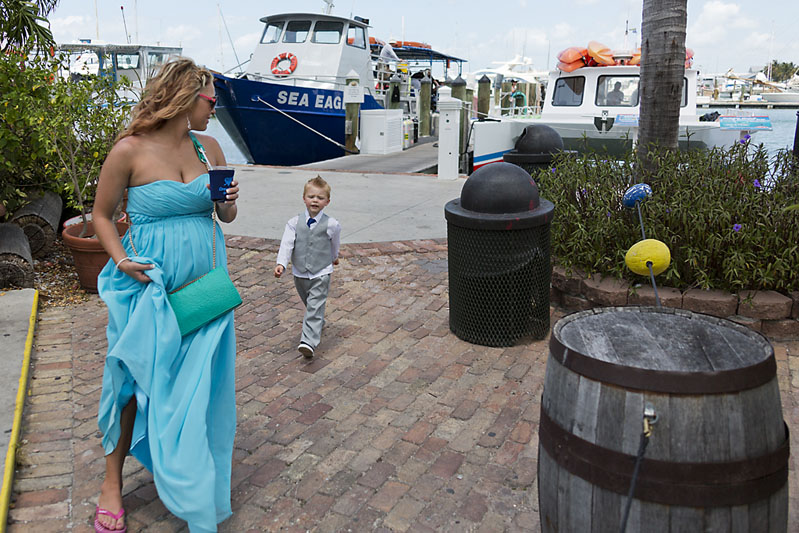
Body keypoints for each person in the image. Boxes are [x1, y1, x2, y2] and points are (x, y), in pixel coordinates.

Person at [91, 57, 240, 533]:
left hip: (203, 291)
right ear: (185, 98)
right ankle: (111, 483)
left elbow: (226, 217)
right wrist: (119, 259)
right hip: (147, 287)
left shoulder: (210, 148)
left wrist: (228, 202)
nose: (214, 110)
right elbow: (100, 215)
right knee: (131, 377)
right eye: (210, 101)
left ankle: (195, 479)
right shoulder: (129, 151)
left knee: (200, 389)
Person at [274, 176, 341, 359]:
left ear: (327, 201)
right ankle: (317, 321)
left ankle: (308, 342)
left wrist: (334, 257)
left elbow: (334, 244)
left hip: (321, 271)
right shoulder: (294, 223)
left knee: (315, 303)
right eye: (311, 196)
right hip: (300, 272)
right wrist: (282, 263)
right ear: (304, 198)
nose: (315, 200)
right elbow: (286, 244)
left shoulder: (332, 225)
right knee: (309, 301)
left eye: (320, 198)